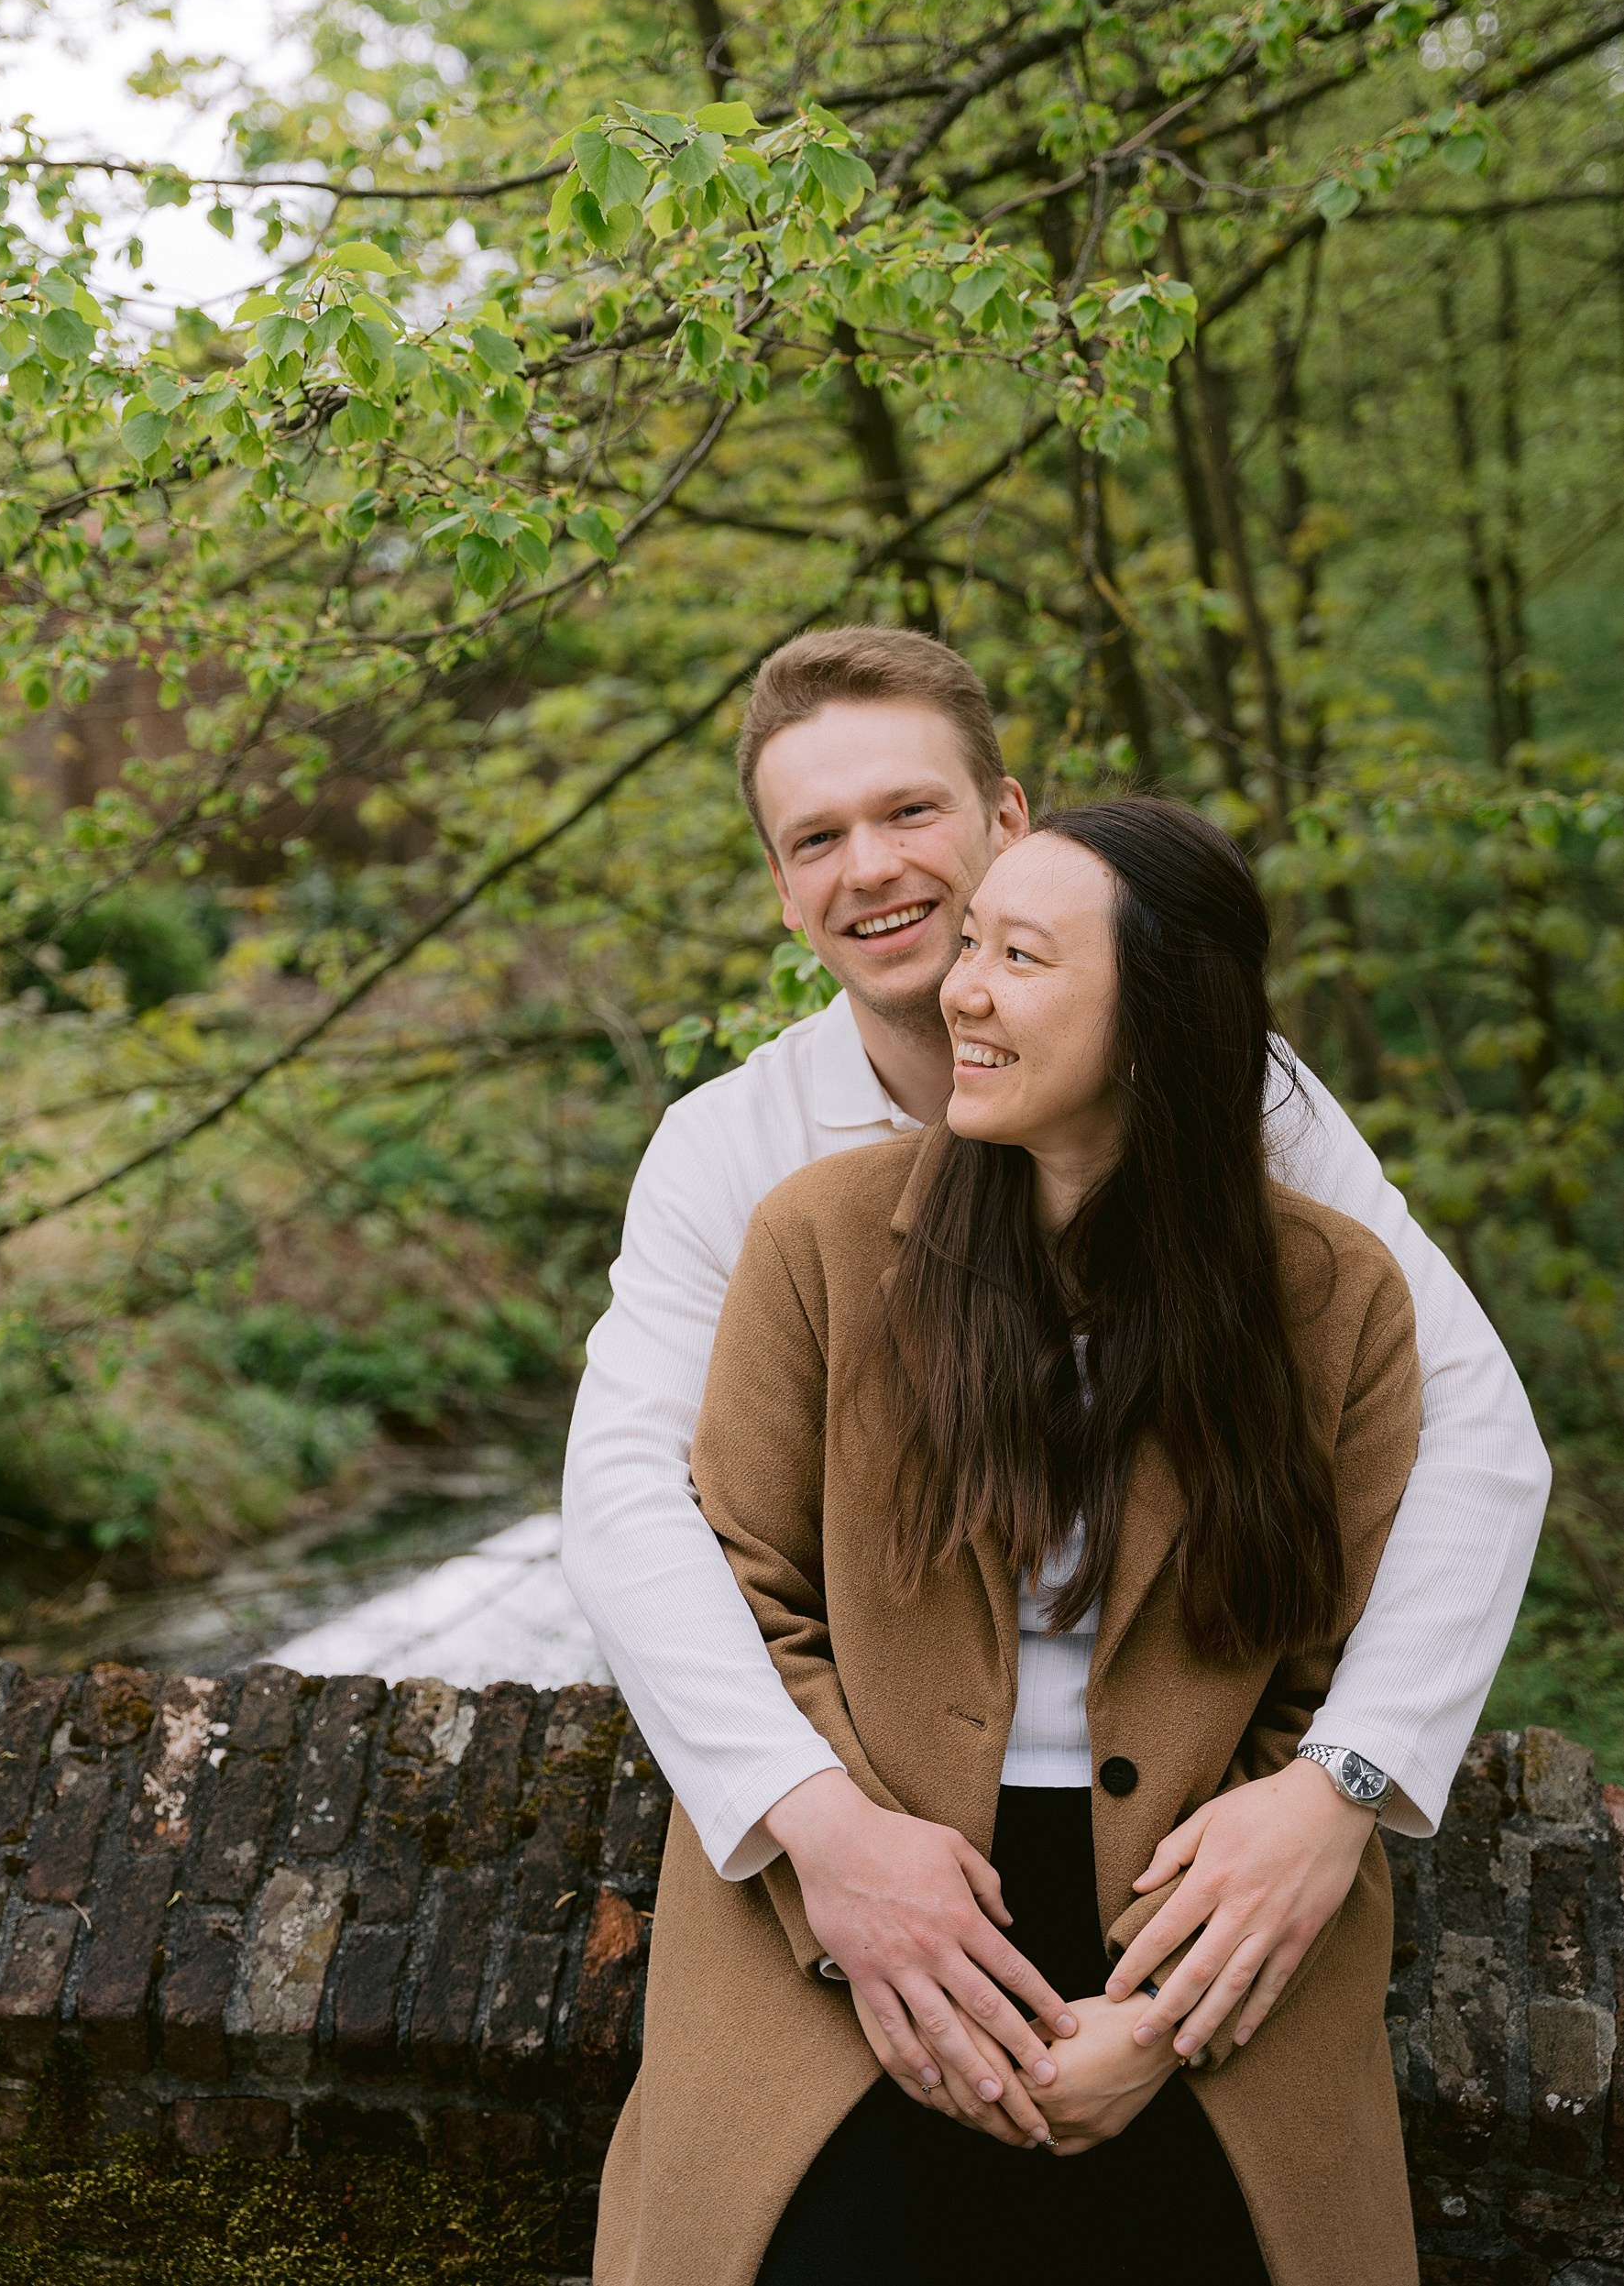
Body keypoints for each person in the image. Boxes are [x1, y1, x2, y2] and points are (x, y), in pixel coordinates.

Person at [563, 628, 1549, 2112]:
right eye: (814, 838)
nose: (871, 869)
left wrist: (1334, 1785)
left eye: (909, 812)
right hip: (871, 1838)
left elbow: (1472, 1437)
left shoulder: (1235, 1099)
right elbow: (632, 1503)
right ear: (781, 888)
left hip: (1166, 1836)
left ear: (1008, 822)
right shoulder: (731, 1152)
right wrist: (815, 1822)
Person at [595, 799, 1422, 2284]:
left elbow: (1333, 1659)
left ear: (1161, 1018)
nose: (958, 989)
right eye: (970, 943)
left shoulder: (1334, 1294)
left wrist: (1167, 2011)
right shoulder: (819, 1242)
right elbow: (743, 1581)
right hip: (850, 1875)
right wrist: (846, 1893)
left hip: (1200, 1904)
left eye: (1018, 956)